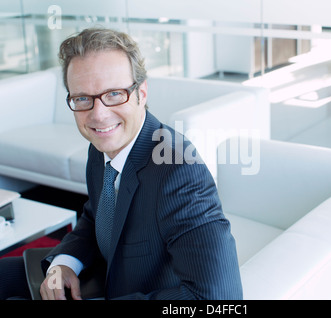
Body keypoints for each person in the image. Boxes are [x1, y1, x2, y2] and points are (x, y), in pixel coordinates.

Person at [0, 27, 242, 300]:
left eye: (114, 93)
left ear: (143, 93)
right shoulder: (101, 146)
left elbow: (218, 298)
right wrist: (65, 262)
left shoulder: (180, 172)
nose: (98, 115)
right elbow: (96, 216)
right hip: (103, 273)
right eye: (82, 98)